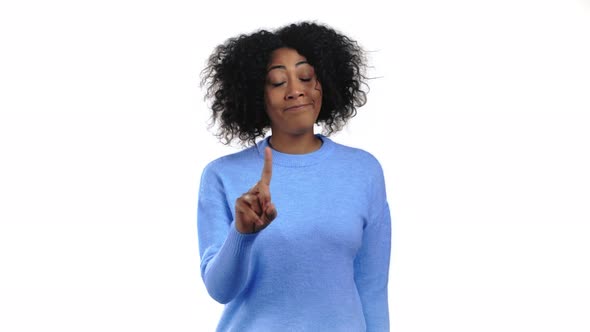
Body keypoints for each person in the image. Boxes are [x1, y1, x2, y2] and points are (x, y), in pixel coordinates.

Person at [197, 21, 391, 331]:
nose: (295, 91)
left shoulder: (363, 171)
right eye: (277, 82)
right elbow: (220, 290)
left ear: (324, 83)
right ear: (256, 94)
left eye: (305, 77)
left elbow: (372, 289)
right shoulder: (222, 175)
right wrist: (242, 234)